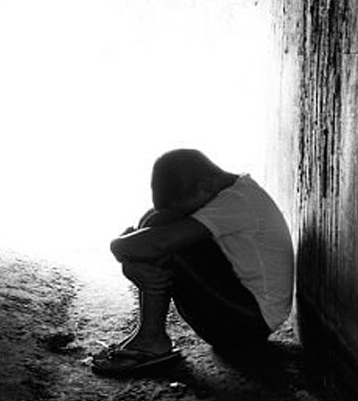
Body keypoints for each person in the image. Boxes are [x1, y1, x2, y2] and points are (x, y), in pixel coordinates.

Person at [91, 149, 294, 377]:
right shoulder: (228, 190)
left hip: (248, 323)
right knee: (155, 221)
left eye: (185, 208)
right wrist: (135, 251)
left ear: (206, 186)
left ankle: (152, 340)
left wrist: (119, 250)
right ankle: (147, 335)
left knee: (168, 246)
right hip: (243, 309)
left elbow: (157, 244)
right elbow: (155, 229)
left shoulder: (237, 201)